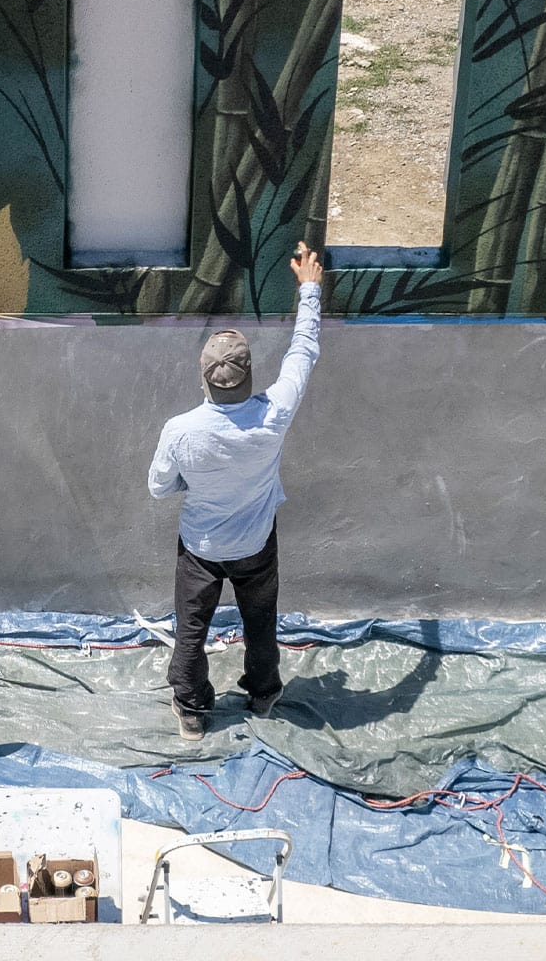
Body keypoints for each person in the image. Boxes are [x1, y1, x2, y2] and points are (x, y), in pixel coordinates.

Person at [147, 242, 325, 738]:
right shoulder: (274, 413)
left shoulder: (180, 430)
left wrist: (193, 478)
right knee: (260, 623)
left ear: (204, 380)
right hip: (256, 545)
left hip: (200, 549)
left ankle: (192, 711)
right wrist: (309, 289)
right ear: (249, 375)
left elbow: (160, 488)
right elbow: (304, 351)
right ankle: (263, 697)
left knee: (191, 630)